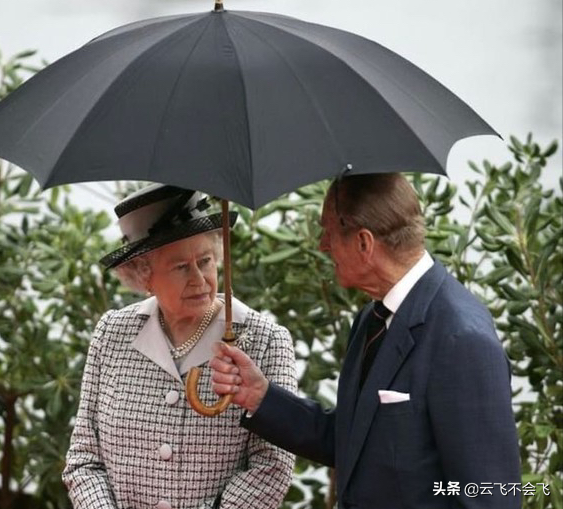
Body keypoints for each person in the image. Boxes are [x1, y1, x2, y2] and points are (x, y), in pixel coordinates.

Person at [211, 173, 522, 509]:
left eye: (328, 231)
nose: (322, 245)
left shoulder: (462, 339)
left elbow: (492, 497)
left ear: (363, 243)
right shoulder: (372, 318)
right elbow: (352, 440)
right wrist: (260, 396)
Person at [63, 183, 297, 509]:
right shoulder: (112, 333)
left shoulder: (265, 341)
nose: (200, 280)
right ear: (144, 275)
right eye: (181, 267)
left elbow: (272, 466)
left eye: (205, 261)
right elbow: (84, 456)